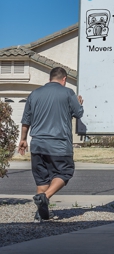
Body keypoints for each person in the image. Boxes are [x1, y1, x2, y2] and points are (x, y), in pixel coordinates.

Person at [18, 67, 84, 221]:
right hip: (59, 144)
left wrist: (23, 140)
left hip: (37, 145)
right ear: (64, 79)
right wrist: (79, 103)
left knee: (42, 179)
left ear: (49, 79)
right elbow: (78, 113)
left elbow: (26, 120)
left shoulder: (34, 94)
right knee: (65, 172)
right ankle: (45, 197)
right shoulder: (68, 93)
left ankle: (41, 215)